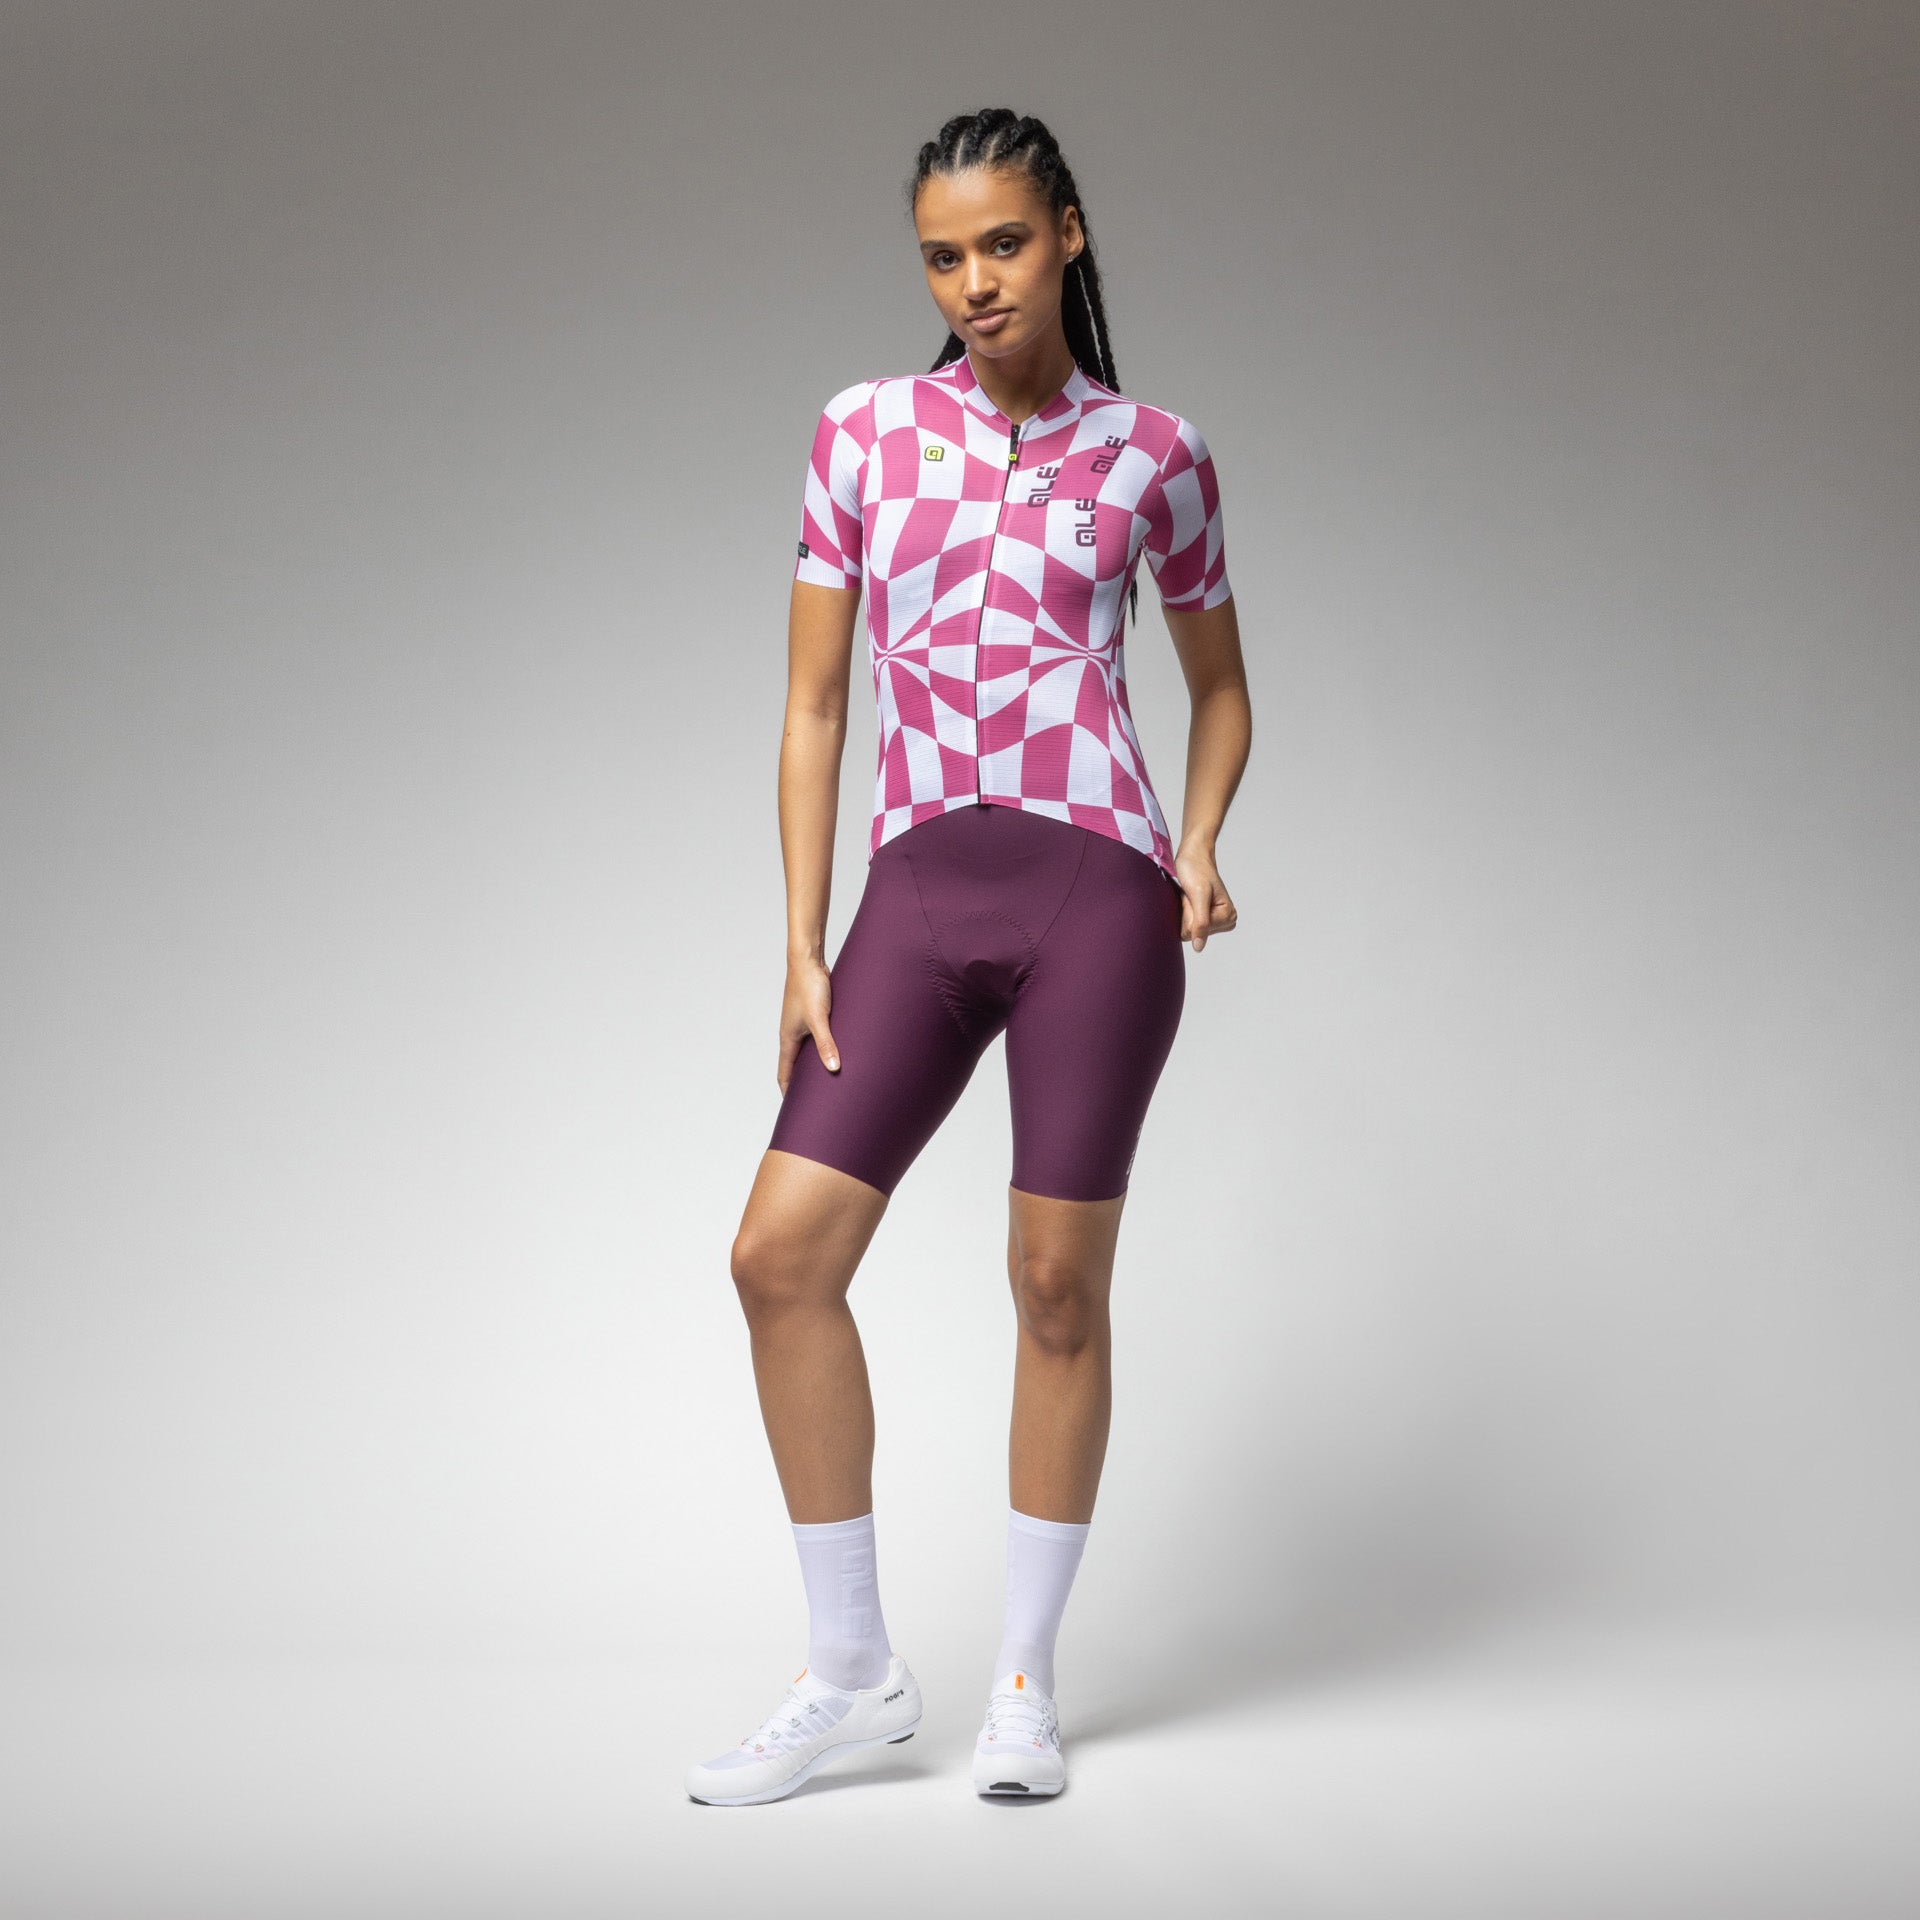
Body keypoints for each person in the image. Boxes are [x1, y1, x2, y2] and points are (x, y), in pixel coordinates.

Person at [685, 107, 1251, 1807]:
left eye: (1003, 243)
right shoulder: (862, 433)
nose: (975, 282)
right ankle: (852, 1670)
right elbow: (814, 704)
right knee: (778, 1258)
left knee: (1056, 1288)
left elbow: (1221, 689)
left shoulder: (1157, 453)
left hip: (1099, 899)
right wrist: (802, 940)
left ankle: (1024, 1685)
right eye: (944, 256)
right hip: (917, 897)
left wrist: (1199, 842)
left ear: (1068, 232)